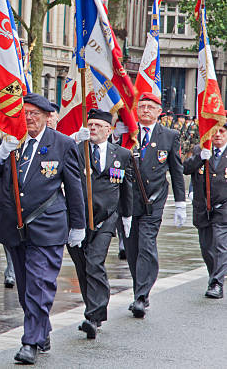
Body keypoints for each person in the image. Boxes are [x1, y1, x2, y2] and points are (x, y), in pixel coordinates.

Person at [0, 93, 85, 364]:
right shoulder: (10, 140)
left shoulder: (62, 144)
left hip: (48, 226)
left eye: (35, 114)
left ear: (46, 117)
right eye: (25, 113)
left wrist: (78, 225)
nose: (29, 118)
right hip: (14, 227)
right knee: (24, 288)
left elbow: (74, 188)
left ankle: (30, 341)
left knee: (39, 286)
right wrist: (0, 153)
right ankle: (41, 330)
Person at [68, 109, 133, 339]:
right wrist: (75, 140)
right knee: (82, 266)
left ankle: (93, 316)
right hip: (77, 219)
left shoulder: (122, 155)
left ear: (109, 129)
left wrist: (127, 217)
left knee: (95, 262)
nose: (93, 128)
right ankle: (94, 310)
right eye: (90, 124)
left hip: (106, 218)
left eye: (98, 125)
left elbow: (126, 188)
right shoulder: (76, 151)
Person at [124, 92, 186, 318]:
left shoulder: (169, 135)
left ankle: (141, 297)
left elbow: (176, 170)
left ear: (159, 111)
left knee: (146, 245)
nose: (145, 110)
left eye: (150, 107)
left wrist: (180, 202)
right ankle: (139, 290)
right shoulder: (127, 133)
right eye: (141, 107)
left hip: (154, 200)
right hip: (129, 201)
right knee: (132, 249)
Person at [183, 125, 227, 299]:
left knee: (220, 244)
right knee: (206, 246)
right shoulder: (199, 149)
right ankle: (214, 274)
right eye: (213, 131)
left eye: (222, 132)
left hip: (224, 207)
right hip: (203, 207)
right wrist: (200, 158)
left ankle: (217, 282)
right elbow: (185, 168)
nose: (217, 135)